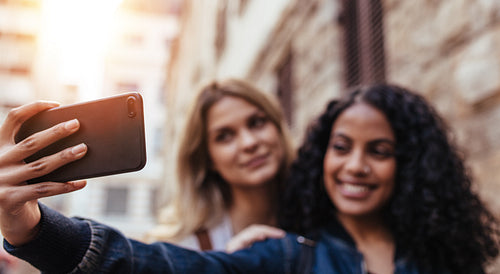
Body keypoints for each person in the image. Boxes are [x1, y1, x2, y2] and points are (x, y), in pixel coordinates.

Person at [1, 84, 498, 273]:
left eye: (381, 151)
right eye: (341, 148)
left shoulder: (434, 256)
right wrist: (32, 228)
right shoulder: (285, 254)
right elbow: (145, 263)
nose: (355, 166)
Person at [147, 78, 293, 250]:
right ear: (207, 159)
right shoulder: (185, 249)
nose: (249, 143)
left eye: (257, 122)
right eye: (224, 136)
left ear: (278, 127)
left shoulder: (322, 220)